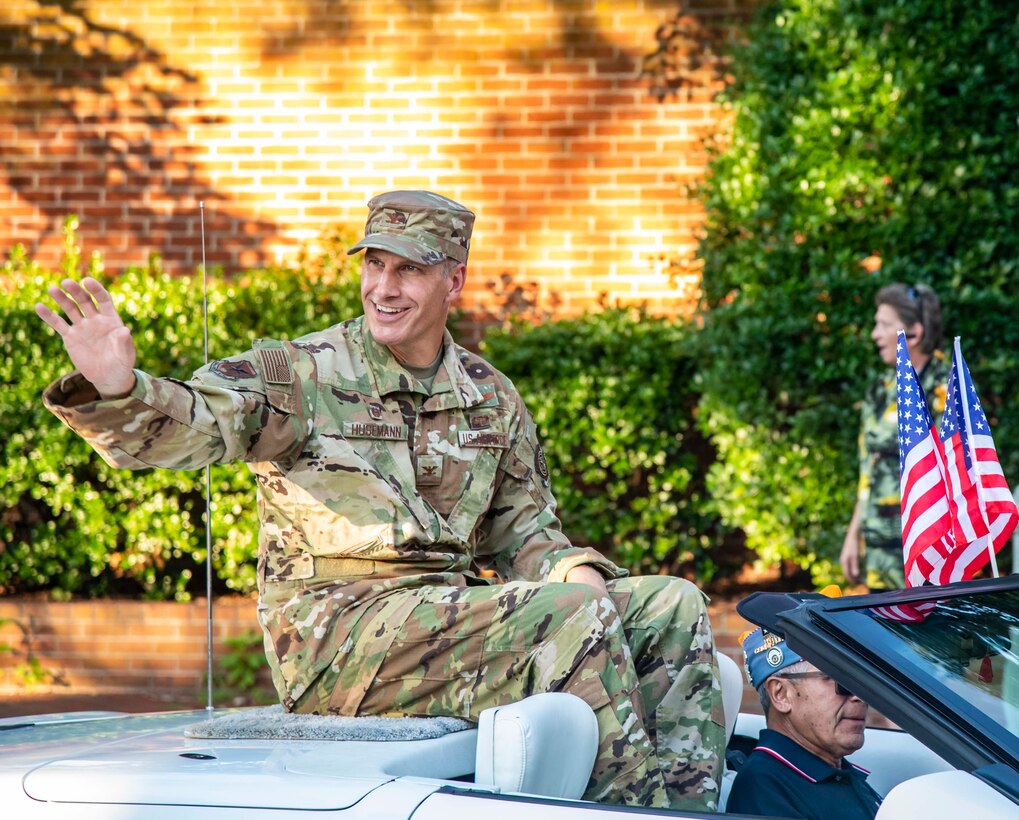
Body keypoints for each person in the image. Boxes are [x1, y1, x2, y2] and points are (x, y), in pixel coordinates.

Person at [35, 190, 724, 811]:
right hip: (335, 636)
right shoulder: (299, 372)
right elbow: (187, 429)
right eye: (373, 266)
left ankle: (686, 809)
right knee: (569, 615)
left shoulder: (489, 394)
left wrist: (576, 573)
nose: (383, 288)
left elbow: (524, 533)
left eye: (409, 270)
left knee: (671, 603)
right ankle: (636, 812)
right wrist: (119, 388)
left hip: (452, 615)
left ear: (452, 280)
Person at [840, 283, 949, 590]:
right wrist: (854, 535)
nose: (875, 334)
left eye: (885, 325)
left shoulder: (945, 387)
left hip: (928, 547)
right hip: (879, 550)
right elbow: (868, 468)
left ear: (914, 332)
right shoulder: (880, 388)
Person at [726, 627, 882, 820]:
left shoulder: (840, 774)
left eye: (860, 683)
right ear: (781, 694)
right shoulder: (764, 788)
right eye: (839, 681)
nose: (859, 696)